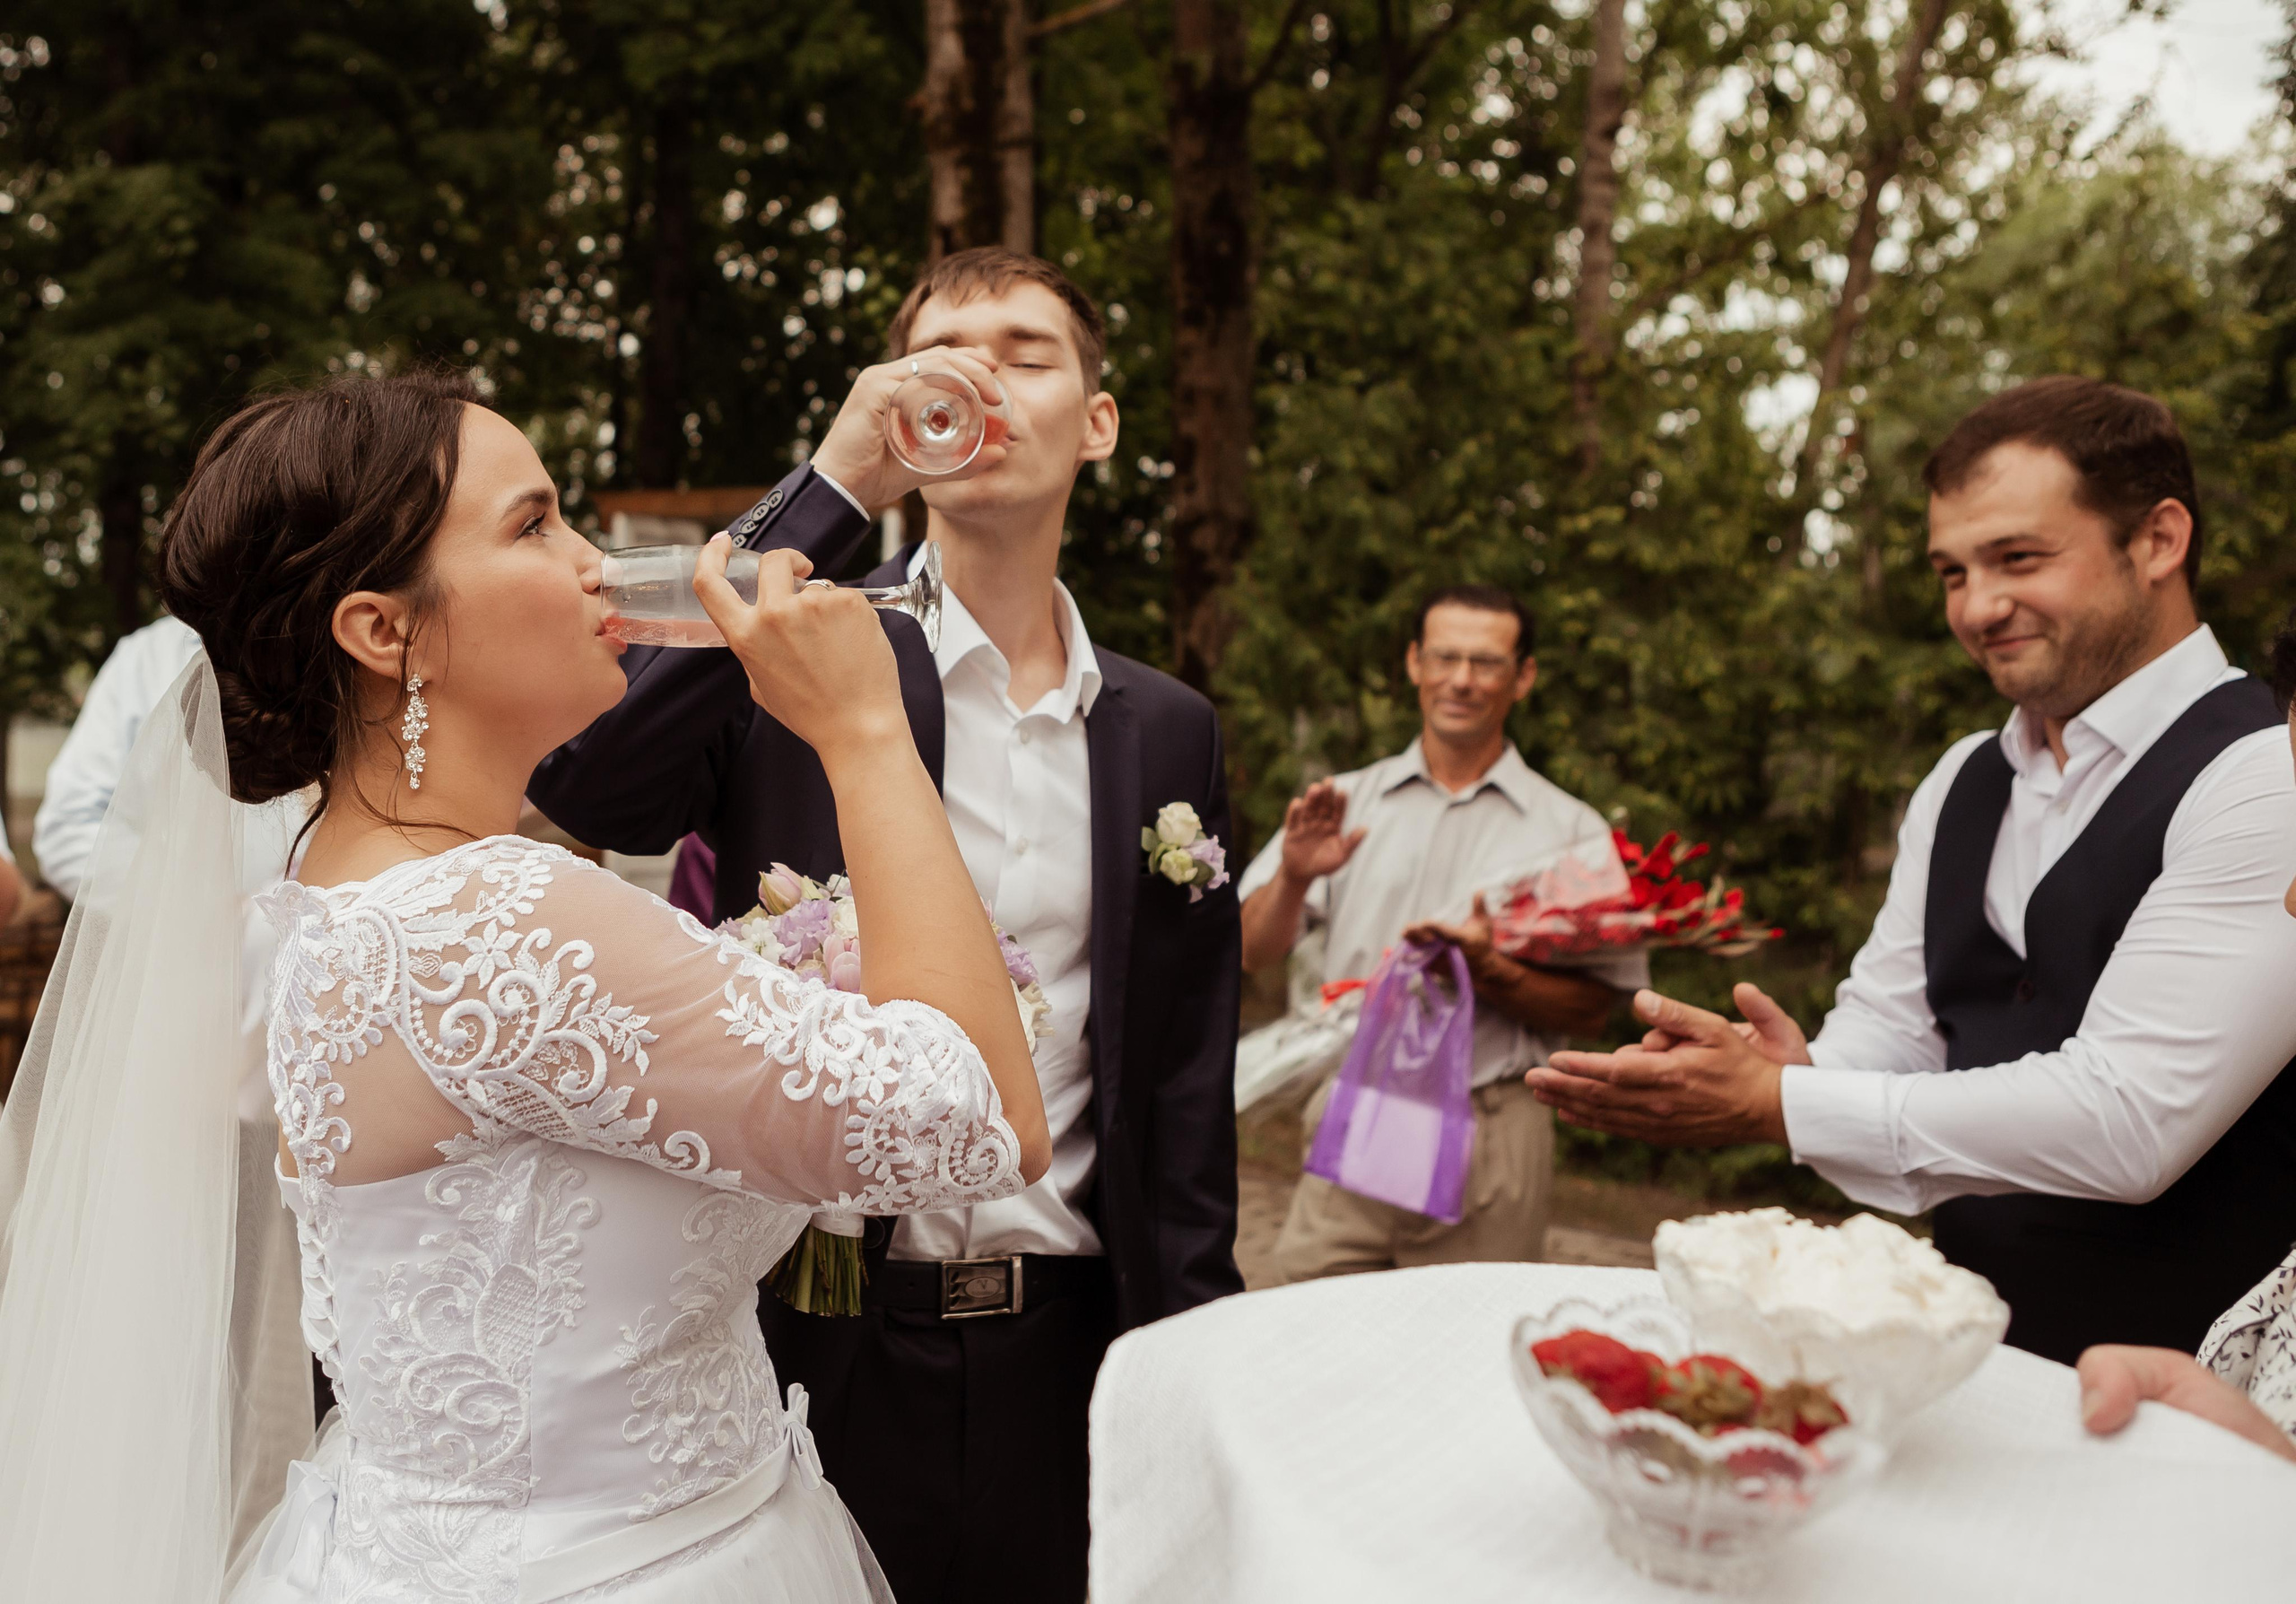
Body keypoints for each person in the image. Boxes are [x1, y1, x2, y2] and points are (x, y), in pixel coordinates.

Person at [0, 367, 1053, 1602]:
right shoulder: (504, 925)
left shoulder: (324, 891)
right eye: (535, 524)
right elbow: (989, 1121)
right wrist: (865, 732)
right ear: (383, 631)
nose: (595, 563)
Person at [527, 248, 1244, 1604]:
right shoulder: (803, 645)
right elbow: (587, 779)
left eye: (1025, 350)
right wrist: (837, 488)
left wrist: (1193, 1353)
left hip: (1081, 1347)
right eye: (943, 354)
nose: (980, 374)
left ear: (1096, 421)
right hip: (823, 1338)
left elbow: (1181, 1075)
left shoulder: (1168, 729)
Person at [1530, 376, 2296, 1364]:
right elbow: (1896, 1025)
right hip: (1975, 1356)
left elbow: (2130, 1120)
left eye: (2018, 557)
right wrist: (1794, 1073)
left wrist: (1781, 1107)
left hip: (2204, 1397)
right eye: (1950, 573)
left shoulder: (2267, 770)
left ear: (2157, 540)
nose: (1977, 606)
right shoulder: (1962, 781)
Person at [1236, 586, 1641, 1282]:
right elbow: (1245, 951)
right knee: (1307, 1344)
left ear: (1524, 677)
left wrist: (1494, 971)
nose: (1462, 679)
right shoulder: (1346, 804)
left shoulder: (1573, 833)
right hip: (1360, 1110)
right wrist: (1296, 877)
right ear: (1415, 663)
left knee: (1463, 1362)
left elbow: (1595, 1010)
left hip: (1493, 1122)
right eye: (1446, 657)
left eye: (1485, 662)